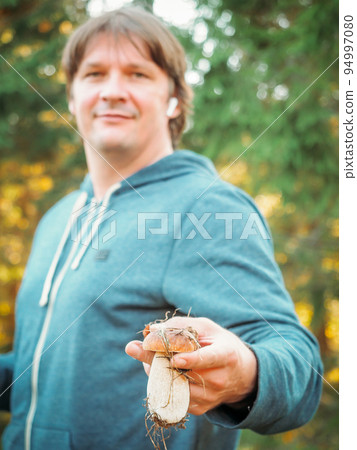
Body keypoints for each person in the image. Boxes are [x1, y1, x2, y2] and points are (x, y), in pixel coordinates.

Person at [0, 6, 323, 450]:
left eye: (137, 74)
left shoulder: (205, 206)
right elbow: (49, 369)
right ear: (72, 97)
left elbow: (300, 368)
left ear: (174, 98)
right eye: (94, 74)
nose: (113, 91)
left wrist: (244, 374)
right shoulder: (60, 216)